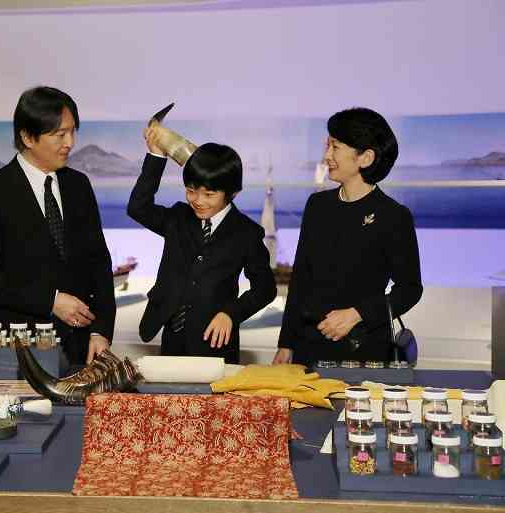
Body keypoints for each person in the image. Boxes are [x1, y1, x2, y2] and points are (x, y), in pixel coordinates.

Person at [0, 86, 115, 365]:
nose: (69, 142)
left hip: (83, 347)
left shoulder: (79, 185)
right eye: (59, 134)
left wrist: (101, 331)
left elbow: (99, 263)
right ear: (27, 137)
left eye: (72, 132)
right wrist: (50, 301)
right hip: (23, 350)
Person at [273, 107, 422, 366]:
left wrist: (357, 314)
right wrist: (286, 343)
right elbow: (301, 280)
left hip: (363, 350)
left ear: (365, 158)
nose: (327, 156)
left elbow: (409, 290)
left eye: (335, 147)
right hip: (308, 348)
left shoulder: (394, 216)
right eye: (327, 146)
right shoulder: (317, 205)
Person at [128, 129, 277, 363]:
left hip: (216, 344)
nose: (198, 200)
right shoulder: (178, 218)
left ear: (233, 193)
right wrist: (156, 156)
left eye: (209, 194)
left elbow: (265, 289)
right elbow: (138, 208)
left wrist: (231, 314)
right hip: (172, 339)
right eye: (190, 191)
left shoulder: (247, 233)